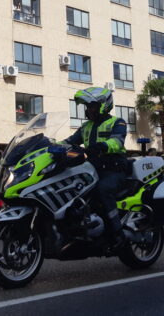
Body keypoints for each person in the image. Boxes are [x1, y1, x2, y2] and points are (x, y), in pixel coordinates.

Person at [61, 87, 128, 245]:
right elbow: (69, 141)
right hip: (92, 168)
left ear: (104, 105)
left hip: (113, 167)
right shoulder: (86, 126)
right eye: (87, 106)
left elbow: (117, 141)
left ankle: (117, 232)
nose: (89, 109)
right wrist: (50, 146)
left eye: (92, 106)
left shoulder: (117, 122)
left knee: (103, 190)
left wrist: (102, 146)